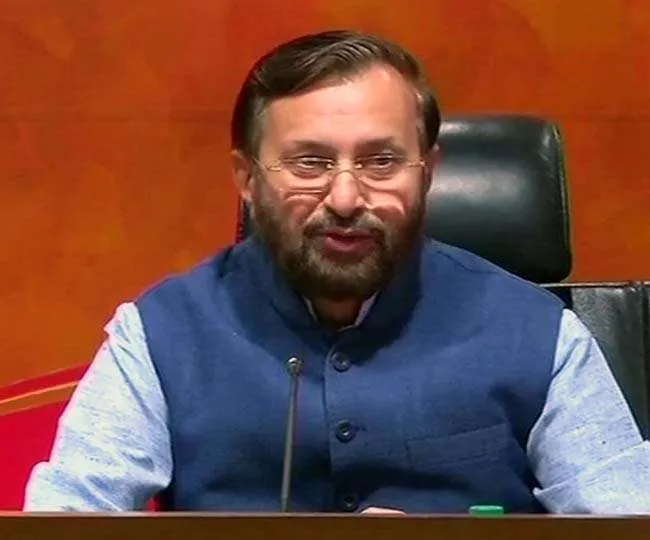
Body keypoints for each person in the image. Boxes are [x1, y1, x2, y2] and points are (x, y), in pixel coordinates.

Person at [24, 30, 650, 514]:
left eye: (381, 162)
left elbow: (627, 518)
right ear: (246, 179)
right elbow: (68, 516)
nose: (346, 198)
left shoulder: (540, 334)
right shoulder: (160, 334)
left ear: (428, 172)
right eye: (310, 163)